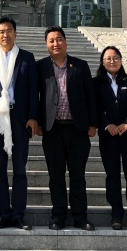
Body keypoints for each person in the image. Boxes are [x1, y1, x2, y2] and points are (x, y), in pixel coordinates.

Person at [36, 26, 97, 231]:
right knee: (56, 176)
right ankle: (58, 216)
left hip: (77, 129)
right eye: (51, 40)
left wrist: (93, 124)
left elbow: (91, 96)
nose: (56, 43)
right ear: (46, 44)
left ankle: (80, 217)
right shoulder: (40, 67)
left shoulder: (80, 65)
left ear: (65, 41)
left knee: (78, 175)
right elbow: (36, 97)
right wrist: (37, 122)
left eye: (59, 39)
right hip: (52, 130)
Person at [0, 17, 38, 230]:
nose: (5, 35)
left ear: (15, 33)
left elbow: (34, 89)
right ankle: (4, 214)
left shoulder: (27, 57)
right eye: (1, 32)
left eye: (9, 31)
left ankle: (18, 214)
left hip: (20, 119)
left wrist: (33, 117)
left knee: (19, 169)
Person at [94, 45, 127, 231]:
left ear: (121, 60)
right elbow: (95, 107)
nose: (112, 61)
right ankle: (116, 214)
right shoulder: (96, 83)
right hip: (109, 136)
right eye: (108, 58)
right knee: (112, 176)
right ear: (102, 62)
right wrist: (108, 125)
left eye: (115, 57)